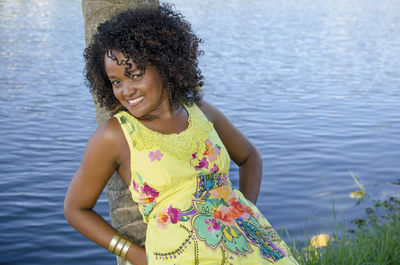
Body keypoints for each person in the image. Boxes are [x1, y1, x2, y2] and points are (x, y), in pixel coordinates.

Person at [64, 4, 298, 265]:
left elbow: (250, 157)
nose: (126, 91)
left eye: (135, 74)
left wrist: (247, 211)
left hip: (251, 252)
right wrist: (136, 255)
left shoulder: (201, 113)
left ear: (163, 64)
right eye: (116, 81)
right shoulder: (116, 135)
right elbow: (75, 209)